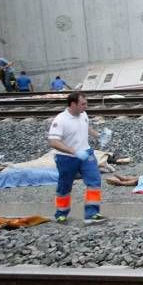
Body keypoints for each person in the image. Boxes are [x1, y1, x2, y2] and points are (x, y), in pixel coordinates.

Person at [47, 92, 106, 225]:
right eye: (83, 104)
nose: (86, 106)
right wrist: (74, 151)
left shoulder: (83, 114)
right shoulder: (60, 120)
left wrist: (99, 135)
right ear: (73, 104)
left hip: (86, 154)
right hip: (67, 158)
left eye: (86, 103)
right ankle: (61, 213)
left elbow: (86, 126)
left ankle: (91, 214)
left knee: (94, 182)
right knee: (65, 186)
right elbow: (53, 142)